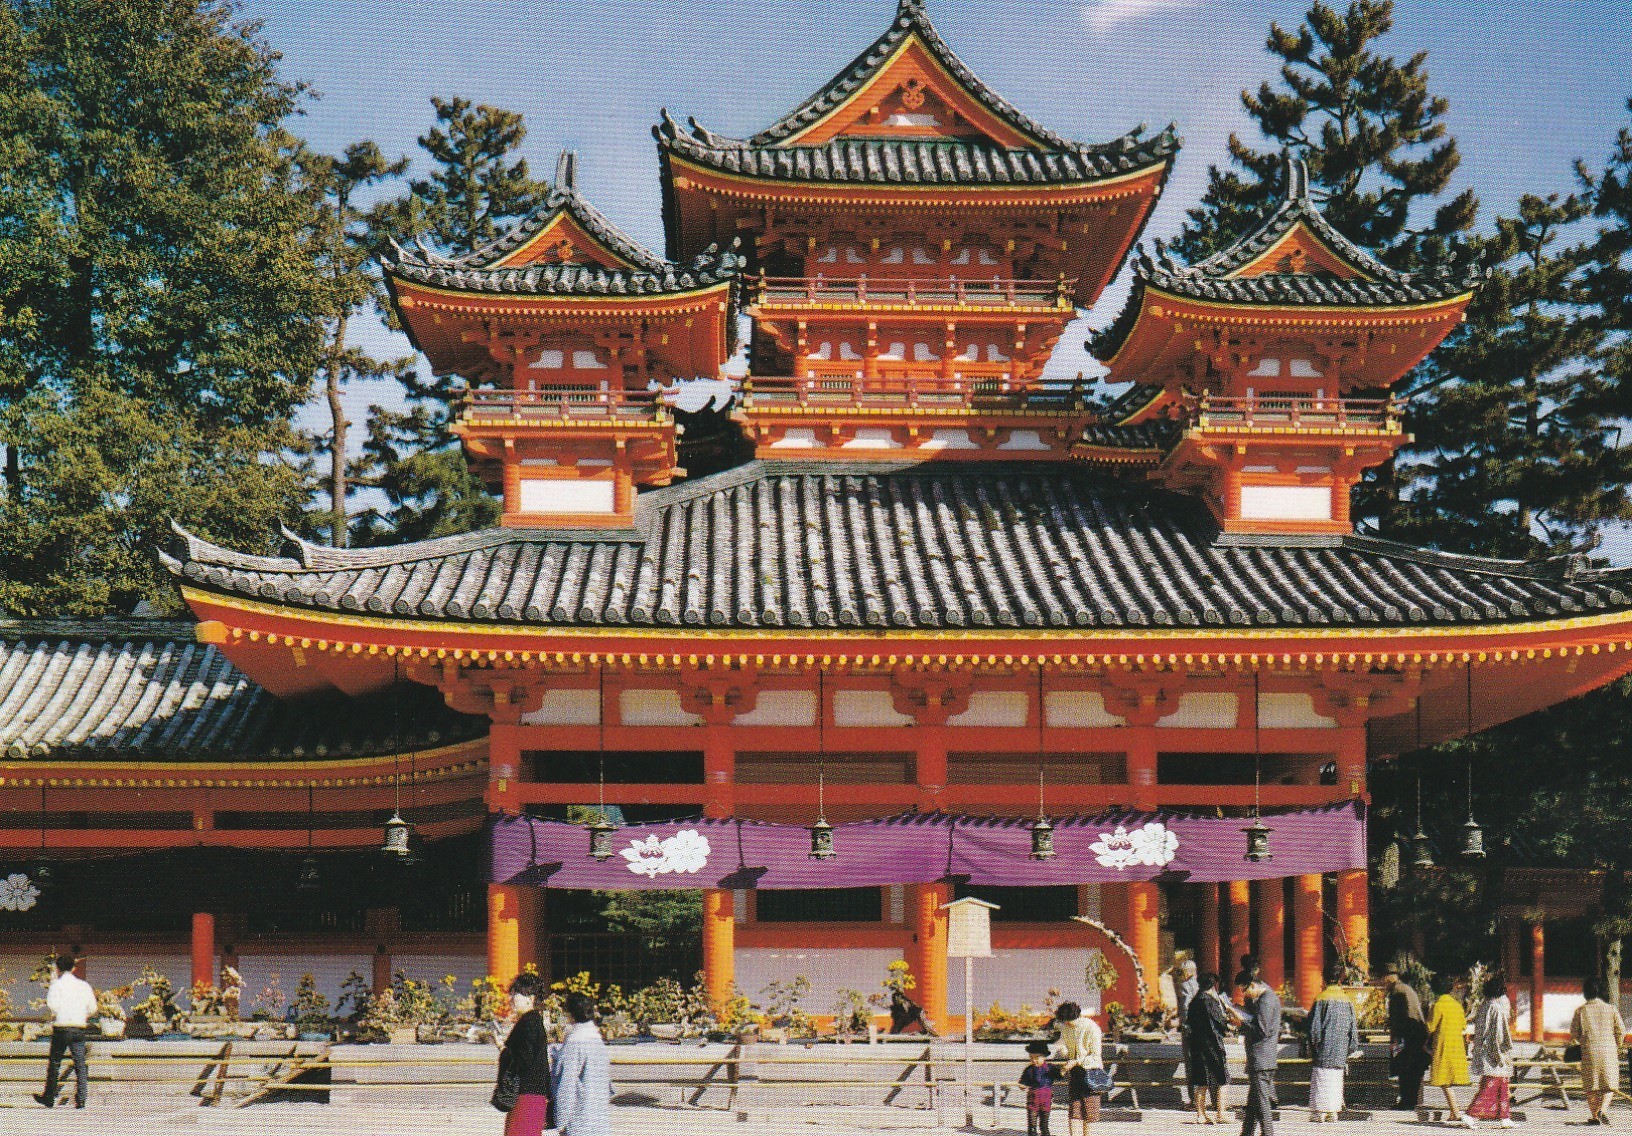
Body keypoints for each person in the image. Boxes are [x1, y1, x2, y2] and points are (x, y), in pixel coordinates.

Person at [34, 954, 95, 1110]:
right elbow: (93, 1008)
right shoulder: (84, 985)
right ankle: (81, 1099)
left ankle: (49, 1097)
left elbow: (52, 1005)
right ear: (73, 968)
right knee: (80, 1064)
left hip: (61, 1027)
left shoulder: (56, 985)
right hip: (78, 1027)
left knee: (55, 1063)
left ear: (58, 968)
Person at [1304, 965, 1361, 1122]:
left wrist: (1313, 1045)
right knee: (1336, 1080)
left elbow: (1314, 1028)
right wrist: (1350, 1048)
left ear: (1324, 979)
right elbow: (1353, 1029)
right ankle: (1332, 1112)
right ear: (1340, 979)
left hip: (1323, 1049)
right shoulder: (1347, 1000)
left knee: (1321, 1079)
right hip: (1340, 1050)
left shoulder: (1321, 999)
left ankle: (1319, 1112)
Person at [497, 972, 551, 1136]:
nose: (512, 998)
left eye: (517, 994)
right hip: (532, 1094)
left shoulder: (529, 1022)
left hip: (527, 1096)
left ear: (531, 998)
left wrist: (504, 1051)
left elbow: (523, 1060)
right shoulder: (533, 1020)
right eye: (512, 993)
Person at [552, 990, 612, 1136]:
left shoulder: (574, 1042)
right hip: (600, 1121)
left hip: (579, 1122)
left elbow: (566, 1086)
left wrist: (560, 1122)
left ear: (570, 1014)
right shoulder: (597, 1041)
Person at [1572, 975, 1626, 1126]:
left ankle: (1595, 1116)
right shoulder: (1611, 1009)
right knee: (1610, 1084)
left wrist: (1578, 1047)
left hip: (1589, 1051)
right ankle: (1602, 1110)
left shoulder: (1580, 1011)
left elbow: (1574, 1035)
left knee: (1592, 1086)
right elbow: (1621, 1031)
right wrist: (1618, 1045)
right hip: (1608, 1051)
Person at [1467, 971, 1516, 1128]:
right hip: (1495, 1052)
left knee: (1502, 1084)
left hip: (1483, 1050)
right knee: (1492, 1084)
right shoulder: (1497, 1008)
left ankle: (1505, 1116)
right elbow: (1499, 1034)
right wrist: (1502, 1052)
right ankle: (1470, 1114)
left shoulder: (1484, 1005)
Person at [1050, 1001, 1104, 1136]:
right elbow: (1062, 1045)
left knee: (1090, 1111)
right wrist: (1065, 1052)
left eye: (1067, 1021)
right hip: (1075, 1073)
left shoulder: (1092, 1028)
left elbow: (1095, 1055)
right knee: (1074, 1109)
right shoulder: (1066, 1028)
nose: (1066, 1024)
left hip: (1092, 1072)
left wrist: (1075, 1061)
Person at [1427, 972, 1473, 1127]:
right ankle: (1454, 1112)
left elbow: (1430, 1026)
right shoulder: (1457, 1005)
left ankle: (1456, 1111)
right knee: (1446, 1080)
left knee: (1443, 1080)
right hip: (1456, 1045)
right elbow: (1463, 1025)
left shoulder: (1438, 1004)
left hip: (1443, 1045)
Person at [1186, 972, 1231, 1125]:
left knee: (1201, 1081)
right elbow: (1219, 1023)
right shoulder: (1211, 1002)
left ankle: (1200, 1115)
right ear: (1213, 985)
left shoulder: (1194, 1002)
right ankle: (1221, 1113)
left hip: (1197, 1046)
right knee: (1223, 1079)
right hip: (1213, 1045)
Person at [1240, 976, 1282, 1136]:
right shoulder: (1267, 998)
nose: (1245, 995)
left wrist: (1241, 1021)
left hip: (1262, 1059)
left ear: (1252, 985)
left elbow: (1261, 1030)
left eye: (1244, 990)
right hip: (1262, 1059)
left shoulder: (1266, 1000)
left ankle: (1268, 1133)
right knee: (1253, 1104)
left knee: (1263, 1104)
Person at [1383, 965, 1430, 1110]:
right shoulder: (1405, 988)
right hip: (1415, 1034)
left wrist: (1397, 1037)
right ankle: (1411, 1100)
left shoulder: (1397, 992)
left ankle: (1407, 1101)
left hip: (1408, 1035)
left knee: (1406, 1069)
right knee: (1412, 1070)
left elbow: (1401, 1017)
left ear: (1389, 977)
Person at [1020, 1040, 1061, 1136]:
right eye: (1031, 1058)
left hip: (1045, 1100)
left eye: (1037, 1058)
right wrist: (1022, 1085)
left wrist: (1064, 1069)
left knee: (1044, 1125)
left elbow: (1059, 1076)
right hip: (1032, 1100)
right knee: (1032, 1125)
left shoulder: (1050, 1068)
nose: (1034, 1060)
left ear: (1044, 1056)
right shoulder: (1029, 1069)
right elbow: (1023, 1081)